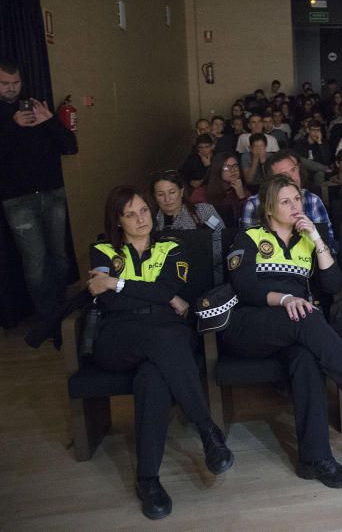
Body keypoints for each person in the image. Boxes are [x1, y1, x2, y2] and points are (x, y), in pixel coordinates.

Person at [224, 175, 342, 489]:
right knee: (306, 316)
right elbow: (245, 287)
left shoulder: (307, 238)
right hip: (248, 326)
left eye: (298, 200)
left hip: (293, 331)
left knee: (305, 360)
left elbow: (334, 285)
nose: (295, 206)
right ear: (269, 208)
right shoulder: (249, 237)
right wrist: (286, 298)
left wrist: (319, 242)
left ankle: (315, 460)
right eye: (286, 201)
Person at [88, 186, 232, 519]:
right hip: (117, 337)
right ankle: (207, 429)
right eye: (130, 214)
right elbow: (109, 300)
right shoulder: (102, 249)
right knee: (163, 341)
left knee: (153, 379)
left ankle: (148, 480)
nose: (140, 219)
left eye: (143, 211)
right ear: (117, 221)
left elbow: (168, 288)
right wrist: (155, 296)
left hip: (165, 332)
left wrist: (120, 284)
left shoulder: (172, 245)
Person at [0, 58, 78, 345]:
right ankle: (48, 319)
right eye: (5, 84)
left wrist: (50, 123)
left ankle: (61, 310)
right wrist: (11, 126)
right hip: (17, 200)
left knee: (59, 256)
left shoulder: (36, 107)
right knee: (35, 262)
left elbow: (70, 147)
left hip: (52, 192)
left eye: (15, 83)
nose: (11, 89)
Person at [241, 151, 337, 250]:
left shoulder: (312, 200)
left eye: (293, 170)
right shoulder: (254, 204)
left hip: (311, 262)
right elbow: (248, 248)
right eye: (284, 174)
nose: (293, 177)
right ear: (271, 180)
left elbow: (328, 245)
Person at [150, 170, 225, 284]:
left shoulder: (203, 211)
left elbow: (222, 240)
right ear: (155, 196)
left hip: (208, 276)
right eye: (161, 194)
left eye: (172, 192)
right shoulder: (151, 223)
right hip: (169, 282)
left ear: (181, 191)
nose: (167, 199)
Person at [191, 152, 248, 227]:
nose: (233, 170)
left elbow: (248, 219)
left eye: (235, 166)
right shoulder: (200, 193)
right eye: (227, 167)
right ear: (217, 169)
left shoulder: (243, 192)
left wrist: (242, 197)